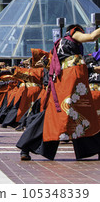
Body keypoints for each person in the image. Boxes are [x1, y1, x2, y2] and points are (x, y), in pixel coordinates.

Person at [17, 24, 100, 161]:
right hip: (70, 83)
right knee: (77, 115)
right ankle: (26, 146)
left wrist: (92, 69)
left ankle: (26, 147)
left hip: (70, 82)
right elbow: (91, 37)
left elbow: (67, 63)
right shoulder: (73, 35)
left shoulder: (60, 47)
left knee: (74, 115)